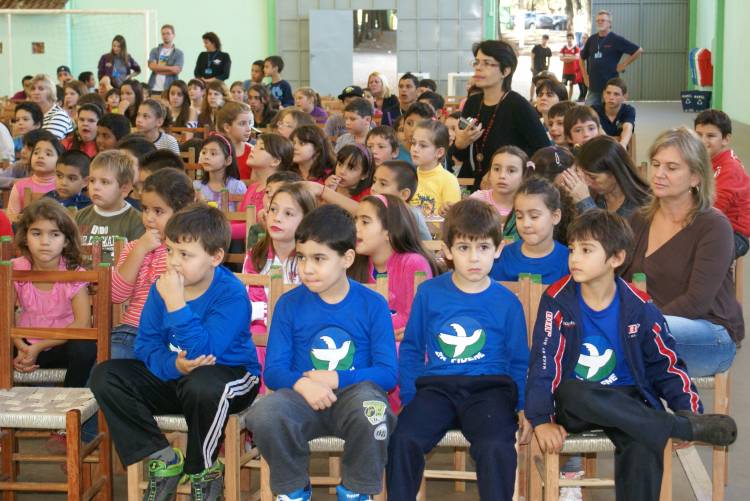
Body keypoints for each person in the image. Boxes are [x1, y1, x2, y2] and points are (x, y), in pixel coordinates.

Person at [526, 209, 737, 501]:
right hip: (577, 404)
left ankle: (665, 424)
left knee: (644, 439)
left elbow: (666, 364)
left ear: (616, 258)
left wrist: (688, 409)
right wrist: (541, 418)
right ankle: (674, 427)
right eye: (572, 249)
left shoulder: (640, 306)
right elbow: (543, 361)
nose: (574, 258)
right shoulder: (557, 299)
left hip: (627, 401)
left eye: (586, 250)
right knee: (574, 392)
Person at [91, 203, 261, 499]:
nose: (173, 262)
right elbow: (146, 345)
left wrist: (177, 304)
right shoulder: (162, 288)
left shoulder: (230, 293)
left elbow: (205, 352)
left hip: (231, 378)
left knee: (203, 383)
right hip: (179, 377)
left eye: (185, 254)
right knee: (105, 375)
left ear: (215, 257)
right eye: (170, 251)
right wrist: (173, 365)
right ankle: (163, 457)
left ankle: (204, 471)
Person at [245, 204, 397, 501]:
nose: (307, 268)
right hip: (301, 399)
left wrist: (336, 378)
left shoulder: (373, 304)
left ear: (347, 259)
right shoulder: (289, 304)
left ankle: (355, 491)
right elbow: (274, 371)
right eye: (302, 257)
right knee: (264, 414)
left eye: (319, 258)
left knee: (374, 411)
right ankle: (293, 490)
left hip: (354, 397)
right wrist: (304, 384)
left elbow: (387, 374)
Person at [388, 198, 530, 501]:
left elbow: (519, 360)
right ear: (448, 250)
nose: (474, 258)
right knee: (404, 438)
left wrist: (521, 406)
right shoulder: (429, 293)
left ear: (498, 249)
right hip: (437, 389)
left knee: (495, 446)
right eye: (464, 248)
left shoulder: (508, 302)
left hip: (490, 391)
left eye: (483, 247)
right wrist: (410, 399)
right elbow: (412, 349)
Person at [620, 128, 742, 377]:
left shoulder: (714, 226)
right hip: (649, 326)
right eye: (656, 164)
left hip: (709, 332)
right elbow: (617, 277)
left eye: (672, 168)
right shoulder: (639, 219)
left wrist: (639, 321)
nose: (659, 174)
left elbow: (696, 302)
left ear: (696, 177)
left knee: (630, 335)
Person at [110, 168, 194, 360]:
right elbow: (116, 294)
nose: (148, 218)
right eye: (145, 209)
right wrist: (140, 250)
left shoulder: (190, 251)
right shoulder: (134, 247)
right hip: (132, 332)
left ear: (181, 213)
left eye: (158, 211)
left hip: (173, 335)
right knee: (109, 362)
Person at [11, 199, 94, 387]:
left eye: (54, 234)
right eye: (36, 233)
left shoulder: (74, 274)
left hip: (60, 345)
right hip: (23, 341)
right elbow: (4, 317)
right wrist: (21, 346)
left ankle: (71, 396)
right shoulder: (14, 269)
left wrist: (39, 346)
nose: (44, 242)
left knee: (84, 347)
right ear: (25, 237)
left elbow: (82, 323)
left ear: (66, 241)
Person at [453, 40, 550, 189]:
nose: (478, 67)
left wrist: (505, 169)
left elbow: (543, 151)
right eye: (477, 62)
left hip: (506, 189)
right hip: (473, 186)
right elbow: (459, 155)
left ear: (505, 71)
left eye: (487, 63)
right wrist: (459, 144)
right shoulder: (472, 103)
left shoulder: (518, 105)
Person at [244, 182, 317, 334]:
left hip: (301, 331)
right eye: (273, 209)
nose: (277, 218)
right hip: (260, 330)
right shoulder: (255, 254)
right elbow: (252, 305)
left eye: (288, 213)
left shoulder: (312, 260)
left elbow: (310, 306)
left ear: (306, 220)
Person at [694, 109, 750, 257]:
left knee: (689, 252)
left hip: (734, 233)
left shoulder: (730, 168)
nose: (703, 141)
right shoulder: (705, 161)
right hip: (713, 223)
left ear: (725, 139)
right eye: (698, 135)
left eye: (710, 136)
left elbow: (712, 209)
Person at [490, 177, 569, 284]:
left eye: (534, 216)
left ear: (555, 217)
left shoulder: (569, 261)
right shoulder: (501, 258)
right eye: (519, 216)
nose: (526, 224)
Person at [75, 150, 145, 262]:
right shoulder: (79, 216)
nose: (95, 187)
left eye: (104, 182)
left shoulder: (136, 221)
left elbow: (137, 262)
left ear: (124, 189)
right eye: (92, 180)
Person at [559, 135, 649, 218]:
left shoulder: (643, 206)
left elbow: (607, 230)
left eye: (593, 177)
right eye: (582, 174)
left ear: (615, 174)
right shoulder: (595, 194)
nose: (586, 183)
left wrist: (585, 202)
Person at [580, 10, 643, 106]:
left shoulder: (616, 39)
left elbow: (638, 50)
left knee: (609, 113)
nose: (600, 22)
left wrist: (623, 65)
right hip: (594, 87)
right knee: (588, 113)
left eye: (603, 20)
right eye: (598, 21)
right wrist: (585, 76)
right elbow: (581, 58)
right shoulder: (591, 39)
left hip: (610, 88)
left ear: (609, 23)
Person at [470, 146, 531, 241]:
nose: (502, 176)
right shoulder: (477, 200)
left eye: (511, 171)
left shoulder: (529, 205)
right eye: (496, 169)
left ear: (524, 176)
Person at [411, 120, 460, 218]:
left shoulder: (448, 181)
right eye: (413, 143)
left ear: (439, 152)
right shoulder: (407, 175)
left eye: (423, 145)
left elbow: (453, 220)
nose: (415, 149)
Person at [7, 130, 62, 215]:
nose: (40, 156)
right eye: (36, 153)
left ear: (60, 160)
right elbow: (12, 218)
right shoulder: (19, 186)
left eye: (48, 154)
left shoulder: (63, 187)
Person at [240, 133, 294, 218]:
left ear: (275, 161)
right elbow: (241, 219)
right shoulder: (252, 187)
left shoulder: (279, 190)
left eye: (261, 148)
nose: (252, 149)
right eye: (255, 146)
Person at [194, 133, 246, 210]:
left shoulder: (237, 187)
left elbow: (242, 215)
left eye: (213, 153)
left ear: (228, 161)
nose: (206, 157)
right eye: (204, 152)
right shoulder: (196, 186)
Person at [593, 77, 635, 150]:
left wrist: (623, 144)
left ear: (625, 97)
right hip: (600, 149)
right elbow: (598, 129)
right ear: (604, 94)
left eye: (616, 94)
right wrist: (611, 146)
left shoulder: (628, 110)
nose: (611, 97)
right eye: (608, 93)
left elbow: (628, 127)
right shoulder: (594, 110)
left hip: (619, 150)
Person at [30, 74, 74, 140]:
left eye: (41, 89)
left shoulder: (59, 115)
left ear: (51, 92)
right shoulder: (33, 114)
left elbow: (47, 143)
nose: (35, 92)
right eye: (33, 89)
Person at [147, 24, 184, 92]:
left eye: (168, 33)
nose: (165, 36)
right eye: (163, 34)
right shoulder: (154, 51)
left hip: (169, 90)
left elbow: (176, 70)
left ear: (173, 35)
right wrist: (171, 68)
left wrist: (158, 69)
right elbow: (152, 66)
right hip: (153, 89)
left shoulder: (178, 53)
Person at [560, 33, 583, 100]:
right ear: (567, 39)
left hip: (573, 71)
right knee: (563, 86)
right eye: (568, 38)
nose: (569, 40)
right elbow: (561, 58)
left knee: (571, 85)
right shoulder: (564, 48)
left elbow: (577, 58)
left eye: (571, 38)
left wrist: (566, 57)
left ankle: (569, 99)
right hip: (565, 71)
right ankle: (564, 99)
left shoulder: (576, 48)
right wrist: (571, 57)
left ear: (573, 39)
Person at [530, 35, 552, 100]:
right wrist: (532, 66)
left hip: (544, 69)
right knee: (533, 83)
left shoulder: (548, 49)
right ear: (542, 39)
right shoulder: (536, 47)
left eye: (546, 39)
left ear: (548, 40)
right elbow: (532, 56)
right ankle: (531, 98)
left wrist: (548, 68)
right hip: (536, 68)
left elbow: (549, 60)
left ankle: (539, 98)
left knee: (542, 84)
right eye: (544, 39)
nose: (544, 41)